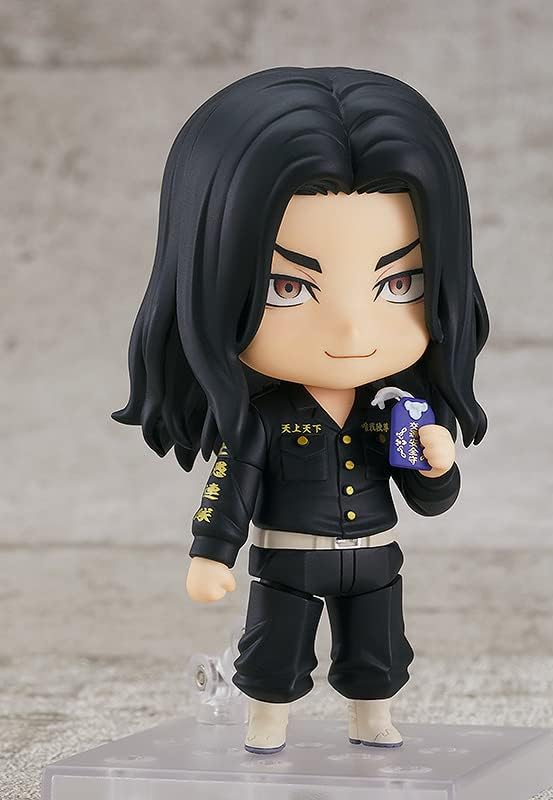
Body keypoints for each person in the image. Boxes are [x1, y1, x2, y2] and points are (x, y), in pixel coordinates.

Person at [113, 66, 489, 754]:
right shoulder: (265, 419)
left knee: (379, 646)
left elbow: (429, 498)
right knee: (275, 646)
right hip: (288, 559)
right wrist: (211, 553)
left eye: (398, 282)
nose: (351, 330)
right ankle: (268, 718)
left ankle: (372, 714)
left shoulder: (391, 409)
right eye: (287, 286)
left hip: (374, 557)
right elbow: (231, 485)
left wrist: (438, 466)